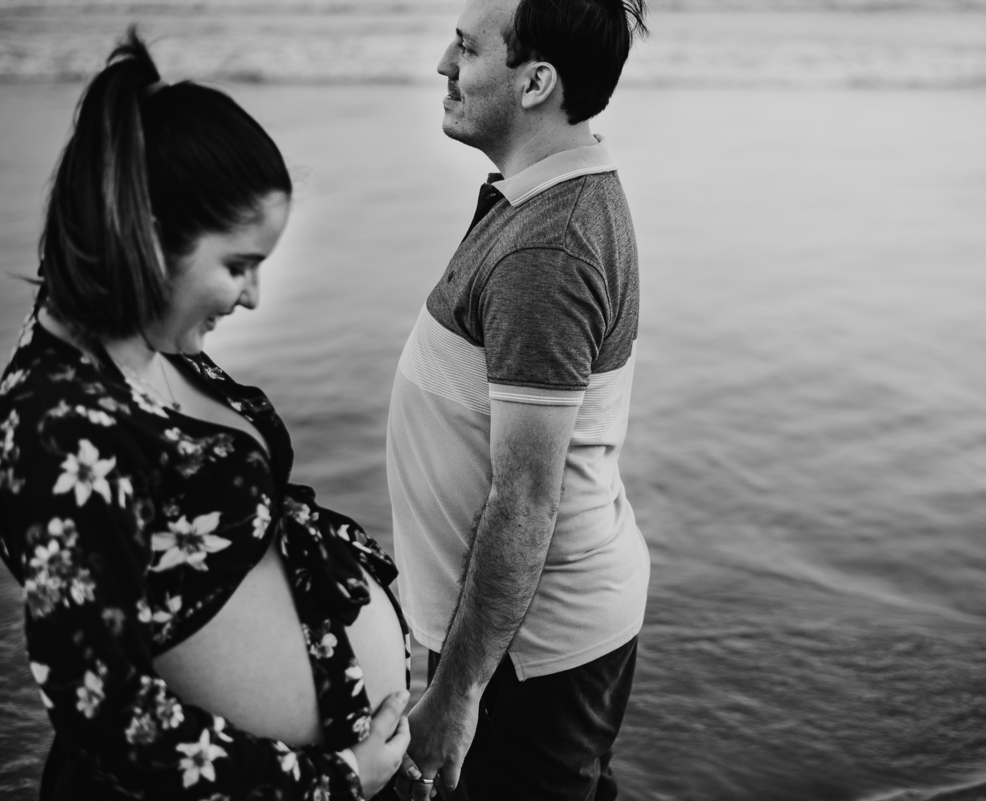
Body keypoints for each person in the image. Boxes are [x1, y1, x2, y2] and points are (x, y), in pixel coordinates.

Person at [0, 30, 412, 800]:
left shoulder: (138, 333)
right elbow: (103, 712)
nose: (253, 297)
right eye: (238, 265)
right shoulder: (63, 426)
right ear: (149, 237)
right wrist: (336, 779)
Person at [386, 0, 650, 798]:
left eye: (467, 50)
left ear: (536, 83)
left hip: (526, 651)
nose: (443, 65)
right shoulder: (539, 201)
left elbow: (527, 497)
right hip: (515, 634)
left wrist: (458, 690)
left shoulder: (548, 249)